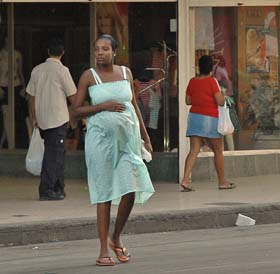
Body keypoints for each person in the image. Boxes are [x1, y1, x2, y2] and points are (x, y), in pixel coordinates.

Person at [72, 34, 154, 266]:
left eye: (105, 49)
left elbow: (134, 105)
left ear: (114, 52)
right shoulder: (89, 76)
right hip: (100, 142)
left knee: (131, 187)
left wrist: (146, 137)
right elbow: (75, 110)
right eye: (97, 49)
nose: (100, 53)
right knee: (105, 192)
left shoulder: (126, 73)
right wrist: (102, 107)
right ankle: (102, 251)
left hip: (128, 141)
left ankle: (115, 236)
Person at [26, 37, 76, 201]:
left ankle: (58, 188)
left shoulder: (37, 70)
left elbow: (31, 97)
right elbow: (73, 96)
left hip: (42, 120)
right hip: (58, 118)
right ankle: (46, 189)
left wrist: (34, 118)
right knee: (54, 155)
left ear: (48, 52)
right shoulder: (63, 71)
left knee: (56, 153)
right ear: (63, 53)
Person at [180, 55, 236, 192]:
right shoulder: (212, 81)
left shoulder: (192, 81)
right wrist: (223, 94)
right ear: (211, 68)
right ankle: (222, 182)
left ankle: (185, 180)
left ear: (199, 67)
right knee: (218, 150)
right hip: (210, 118)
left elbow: (188, 101)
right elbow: (220, 102)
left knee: (194, 150)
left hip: (194, 117)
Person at [0, 36, 29, 149]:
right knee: (6, 114)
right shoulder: (1, 54)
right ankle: (10, 144)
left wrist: (24, 86)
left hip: (16, 85)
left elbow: (20, 71)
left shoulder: (17, 54)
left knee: (20, 114)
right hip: (3, 85)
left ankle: (21, 142)